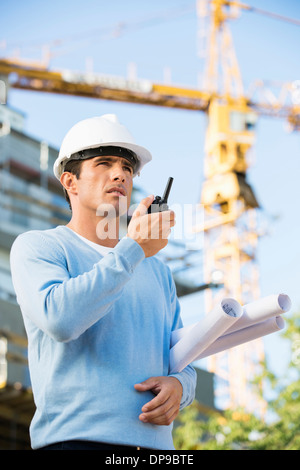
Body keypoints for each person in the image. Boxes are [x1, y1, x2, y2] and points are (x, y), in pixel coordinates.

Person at [10, 114, 196, 451]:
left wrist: (181, 386)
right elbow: (61, 320)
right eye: (105, 163)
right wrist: (134, 248)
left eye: (127, 167)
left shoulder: (157, 271)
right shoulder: (40, 247)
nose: (120, 174)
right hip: (74, 443)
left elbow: (182, 356)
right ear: (70, 182)